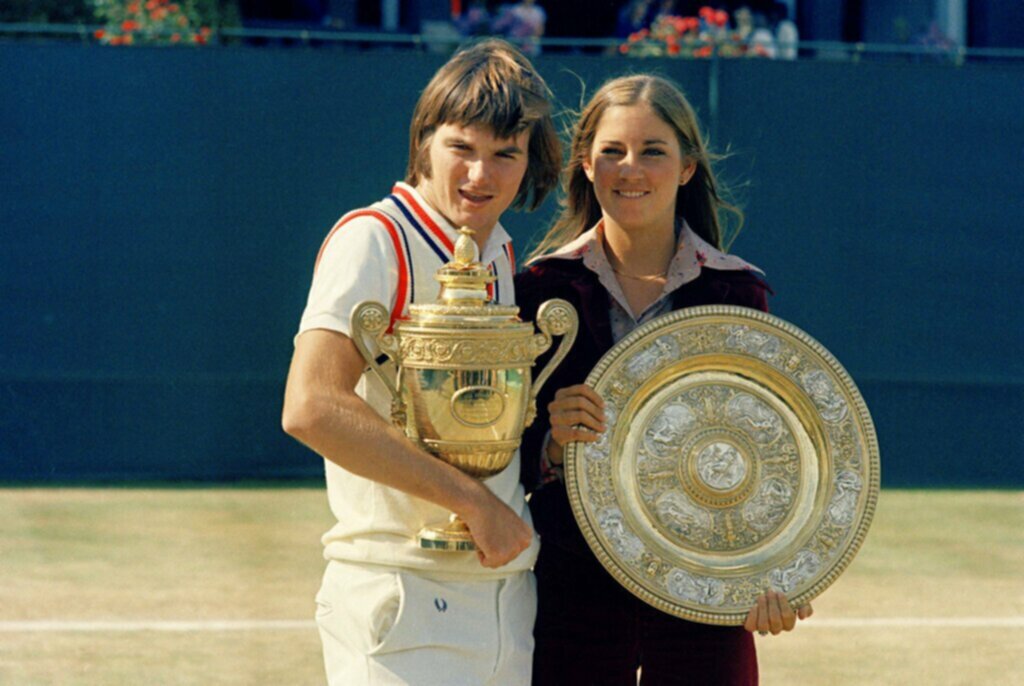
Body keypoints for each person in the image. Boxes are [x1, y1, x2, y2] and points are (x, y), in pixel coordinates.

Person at [514, 74, 812, 685]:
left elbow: (774, 451)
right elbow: (497, 451)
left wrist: (778, 572)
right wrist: (548, 442)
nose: (632, 169)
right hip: (572, 595)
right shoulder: (536, 290)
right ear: (586, 165)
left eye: (653, 150)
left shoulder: (736, 292)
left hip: (703, 595)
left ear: (686, 168)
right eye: (613, 152)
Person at [281, 39, 561, 686]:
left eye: (505, 155)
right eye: (461, 148)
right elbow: (311, 405)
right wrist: (474, 502)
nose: (480, 175)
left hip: (503, 594)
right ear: (424, 142)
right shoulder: (375, 238)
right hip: (401, 590)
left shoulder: (499, 254)